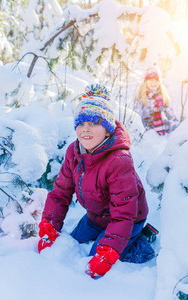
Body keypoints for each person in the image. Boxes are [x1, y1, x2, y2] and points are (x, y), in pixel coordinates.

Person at [38, 84, 156, 278]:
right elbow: (61, 193)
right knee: (72, 243)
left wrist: (108, 251)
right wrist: (49, 224)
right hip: (97, 216)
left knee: (96, 257)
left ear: (108, 130)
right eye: (81, 124)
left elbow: (124, 213)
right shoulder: (73, 152)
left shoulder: (119, 160)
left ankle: (141, 243)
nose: (86, 129)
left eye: (93, 123)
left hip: (129, 218)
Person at [133, 66, 180, 136]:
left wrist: (177, 131)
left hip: (163, 133)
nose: (153, 83)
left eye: (156, 80)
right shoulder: (141, 97)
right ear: (145, 81)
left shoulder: (162, 97)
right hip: (146, 133)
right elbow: (136, 117)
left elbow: (172, 117)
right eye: (150, 80)